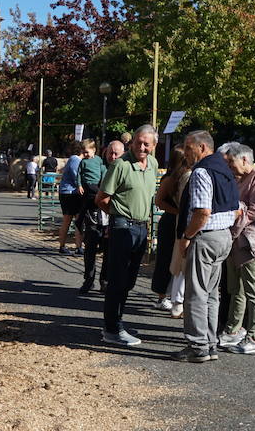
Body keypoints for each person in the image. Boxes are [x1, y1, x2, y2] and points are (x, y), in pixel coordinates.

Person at [173, 129, 240, 363]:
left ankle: (198, 345)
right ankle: (210, 344)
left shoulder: (202, 171)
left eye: (189, 148)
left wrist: (186, 236)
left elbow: (202, 212)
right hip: (223, 236)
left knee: (196, 294)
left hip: (206, 236)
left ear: (202, 147)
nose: (186, 154)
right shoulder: (225, 169)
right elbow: (236, 207)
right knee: (211, 294)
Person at [95, 125, 158, 346]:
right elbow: (101, 198)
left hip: (141, 227)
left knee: (129, 280)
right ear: (132, 142)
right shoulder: (120, 165)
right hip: (123, 226)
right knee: (117, 280)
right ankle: (112, 328)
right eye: (138, 142)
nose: (141, 146)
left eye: (146, 143)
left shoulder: (152, 164)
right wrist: (118, 216)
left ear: (153, 145)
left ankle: (116, 323)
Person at [218, 143, 255, 355]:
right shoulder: (242, 178)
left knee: (253, 288)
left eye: (232, 162)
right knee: (236, 288)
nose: (230, 167)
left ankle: (254, 336)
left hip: (251, 241)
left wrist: (234, 217)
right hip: (237, 240)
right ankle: (234, 330)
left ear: (244, 159)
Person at [152, 147, 190, 316]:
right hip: (169, 222)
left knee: (178, 260)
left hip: (177, 221)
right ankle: (161, 296)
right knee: (165, 259)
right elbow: (159, 201)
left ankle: (174, 296)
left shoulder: (184, 178)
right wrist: (178, 212)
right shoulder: (169, 179)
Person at [77, 139, 109, 294]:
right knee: (90, 247)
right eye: (111, 153)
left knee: (107, 249)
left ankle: (104, 280)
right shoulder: (84, 163)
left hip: (107, 213)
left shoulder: (101, 164)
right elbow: (79, 175)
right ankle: (89, 280)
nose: (113, 156)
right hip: (91, 210)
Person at [57, 143, 85, 254]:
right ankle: (64, 246)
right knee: (69, 220)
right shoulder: (75, 160)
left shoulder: (74, 160)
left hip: (70, 193)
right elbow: (76, 177)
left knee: (77, 220)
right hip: (70, 193)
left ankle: (78, 246)